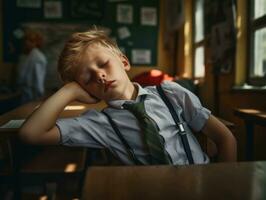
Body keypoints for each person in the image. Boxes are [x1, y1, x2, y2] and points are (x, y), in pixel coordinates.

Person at [19, 27, 237, 165]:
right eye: (87, 79)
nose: (100, 75)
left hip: (201, 184)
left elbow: (225, 139)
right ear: (85, 90)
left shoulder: (172, 93)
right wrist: (69, 91)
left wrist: (222, 186)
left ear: (124, 62)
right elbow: (30, 134)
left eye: (104, 64)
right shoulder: (99, 123)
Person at [16, 28, 47, 104]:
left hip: (34, 93)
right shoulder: (26, 55)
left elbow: (38, 77)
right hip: (25, 92)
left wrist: (40, 93)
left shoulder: (37, 57)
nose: (27, 43)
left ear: (37, 43)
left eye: (31, 41)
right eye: (26, 41)